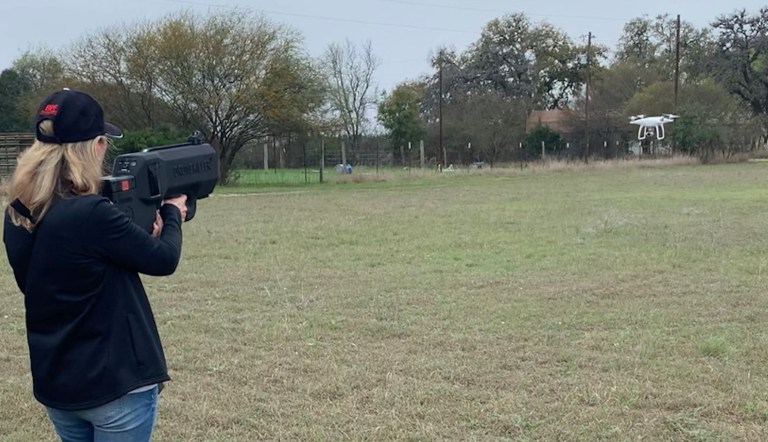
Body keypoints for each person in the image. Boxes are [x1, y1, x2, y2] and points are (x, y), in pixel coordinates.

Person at [3, 88, 188, 442]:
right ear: (95, 145)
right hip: (114, 385)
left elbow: (54, 277)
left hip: (59, 384)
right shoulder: (91, 214)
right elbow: (164, 260)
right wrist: (172, 213)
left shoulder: (19, 211)